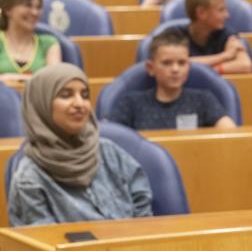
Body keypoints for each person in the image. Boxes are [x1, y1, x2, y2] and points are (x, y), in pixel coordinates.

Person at [7, 64, 153, 226]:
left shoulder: (109, 151)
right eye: (66, 95)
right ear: (42, 104)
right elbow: (44, 244)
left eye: (85, 95)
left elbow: (141, 200)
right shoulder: (29, 177)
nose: (80, 104)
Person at [107, 30, 237, 131]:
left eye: (182, 63)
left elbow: (230, 133)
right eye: (167, 63)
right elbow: (112, 139)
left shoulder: (203, 100)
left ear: (189, 66)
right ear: (151, 68)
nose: (175, 69)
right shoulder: (130, 103)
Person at [169, 0, 252, 74]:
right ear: (201, 13)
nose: (227, 15)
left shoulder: (227, 34)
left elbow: (245, 66)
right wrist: (225, 56)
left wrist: (211, 73)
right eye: (221, 10)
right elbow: (178, 64)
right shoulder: (175, 35)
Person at [0, 0, 62, 84]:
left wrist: (9, 78)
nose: (35, 13)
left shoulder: (49, 43)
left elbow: (54, 82)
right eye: (27, 5)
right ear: (8, 9)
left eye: (38, 7)